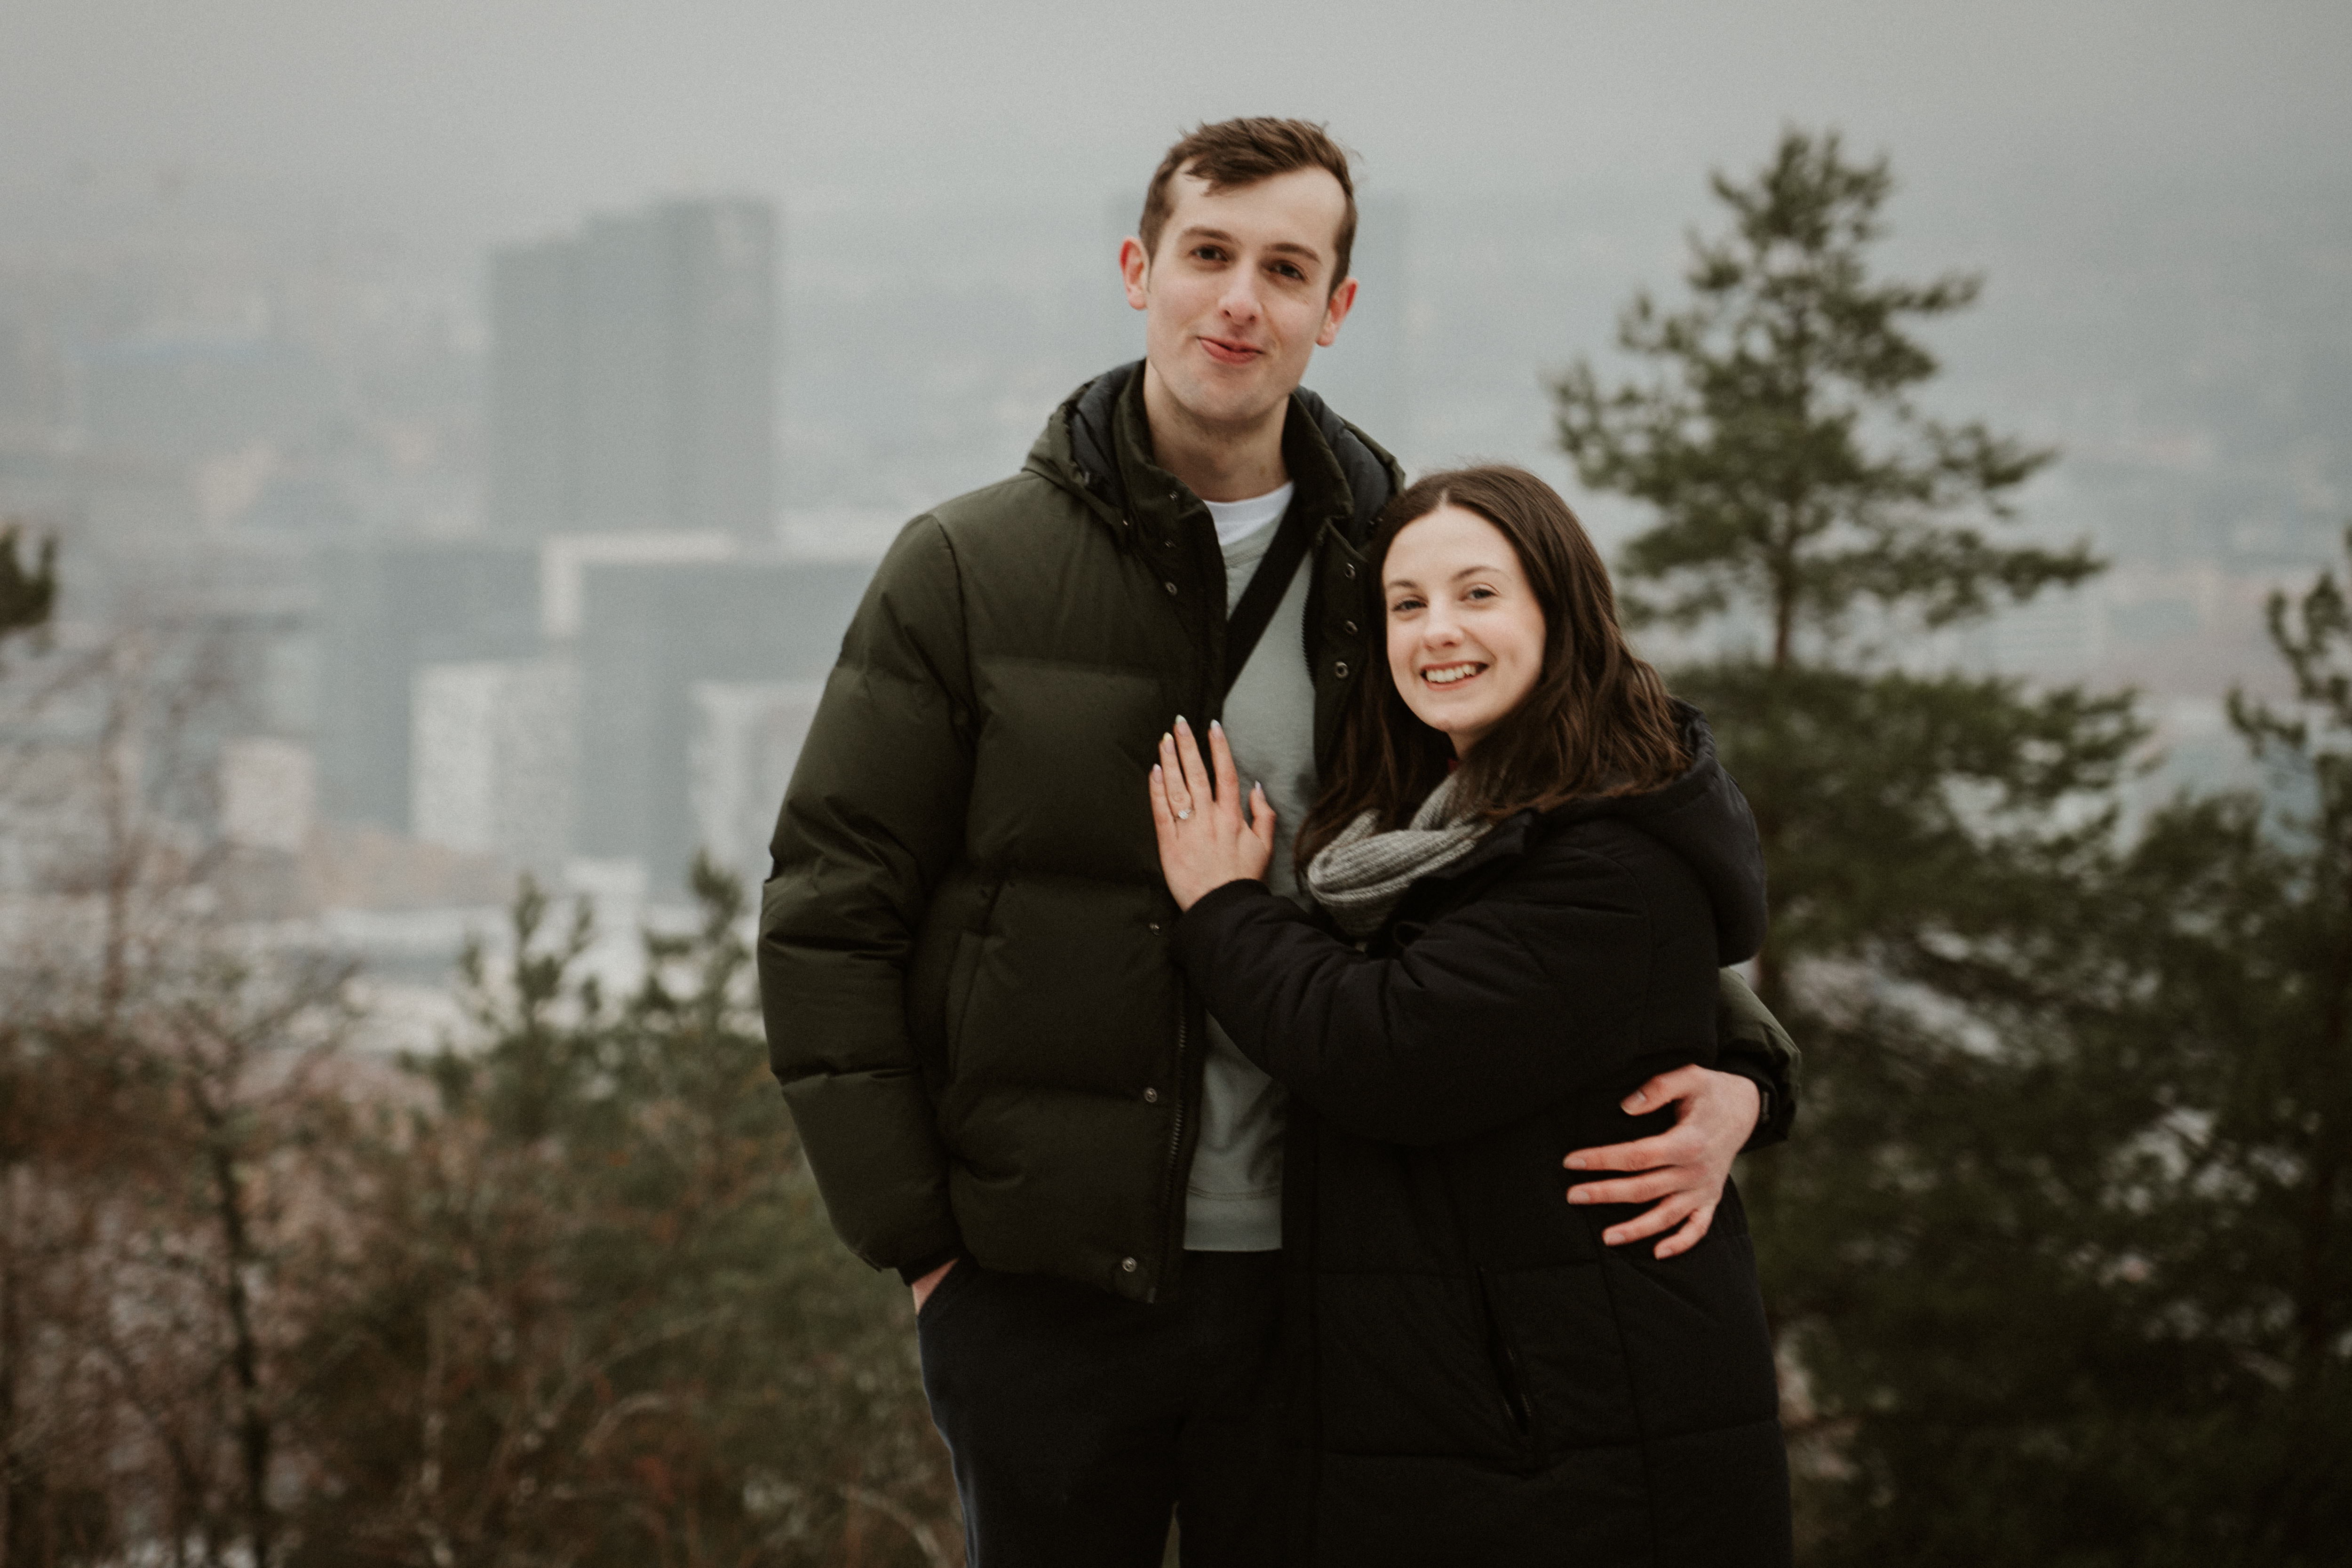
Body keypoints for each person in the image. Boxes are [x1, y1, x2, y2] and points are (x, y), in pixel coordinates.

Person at [759, 119, 1796, 1567]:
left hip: (1334, 1286)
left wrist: (1746, 1060)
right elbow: (829, 913)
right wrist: (925, 1248)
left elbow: (1552, 836)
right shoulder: (968, 569)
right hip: (1045, 1283)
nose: (1241, 300)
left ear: (1336, 308)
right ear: (1140, 269)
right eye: (1209, 256)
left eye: (1287, 267)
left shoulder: (1409, 570)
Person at [1149, 464, 1794, 1566]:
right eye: (1407, 604)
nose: (1437, 631)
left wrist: (1221, 906)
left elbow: (1383, 1046)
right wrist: (1756, 1076)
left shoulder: (1606, 856)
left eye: (1478, 594)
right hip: (1490, 1421)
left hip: (1571, 1445)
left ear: (1561, 610)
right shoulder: (1443, 822)